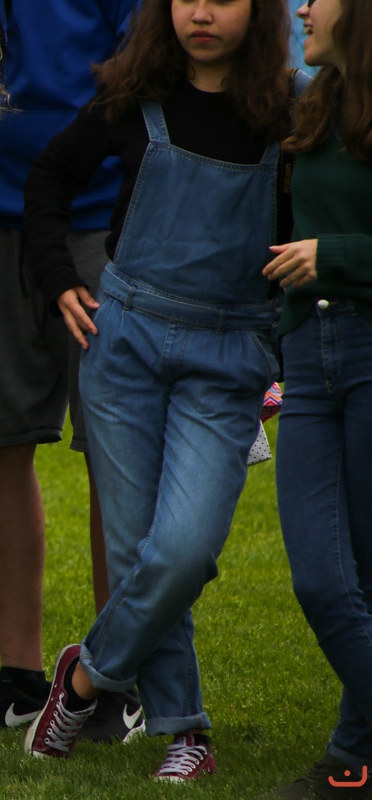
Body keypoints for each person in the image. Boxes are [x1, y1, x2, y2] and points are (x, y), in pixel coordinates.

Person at [20, 0, 293, 780]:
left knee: (182, 552)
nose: (201, 12)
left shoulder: (294, 114)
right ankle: (186, 732)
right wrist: (57, 277)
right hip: (125, 347)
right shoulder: (131, 95)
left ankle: (82, 678)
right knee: (136, 548)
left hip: (229, 356)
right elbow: (49, 178)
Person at [0, 0, 144, 742]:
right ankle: (22, 674)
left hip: (97, 215)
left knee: (115, 453)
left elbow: (138, 71)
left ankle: (114, 674)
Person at [262, 1, 372, 796]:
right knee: (321, 579)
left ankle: (352, 755)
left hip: (368, 349)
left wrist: (334, 253)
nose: (302, 5)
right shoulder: (311, 102)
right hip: (307, 355)